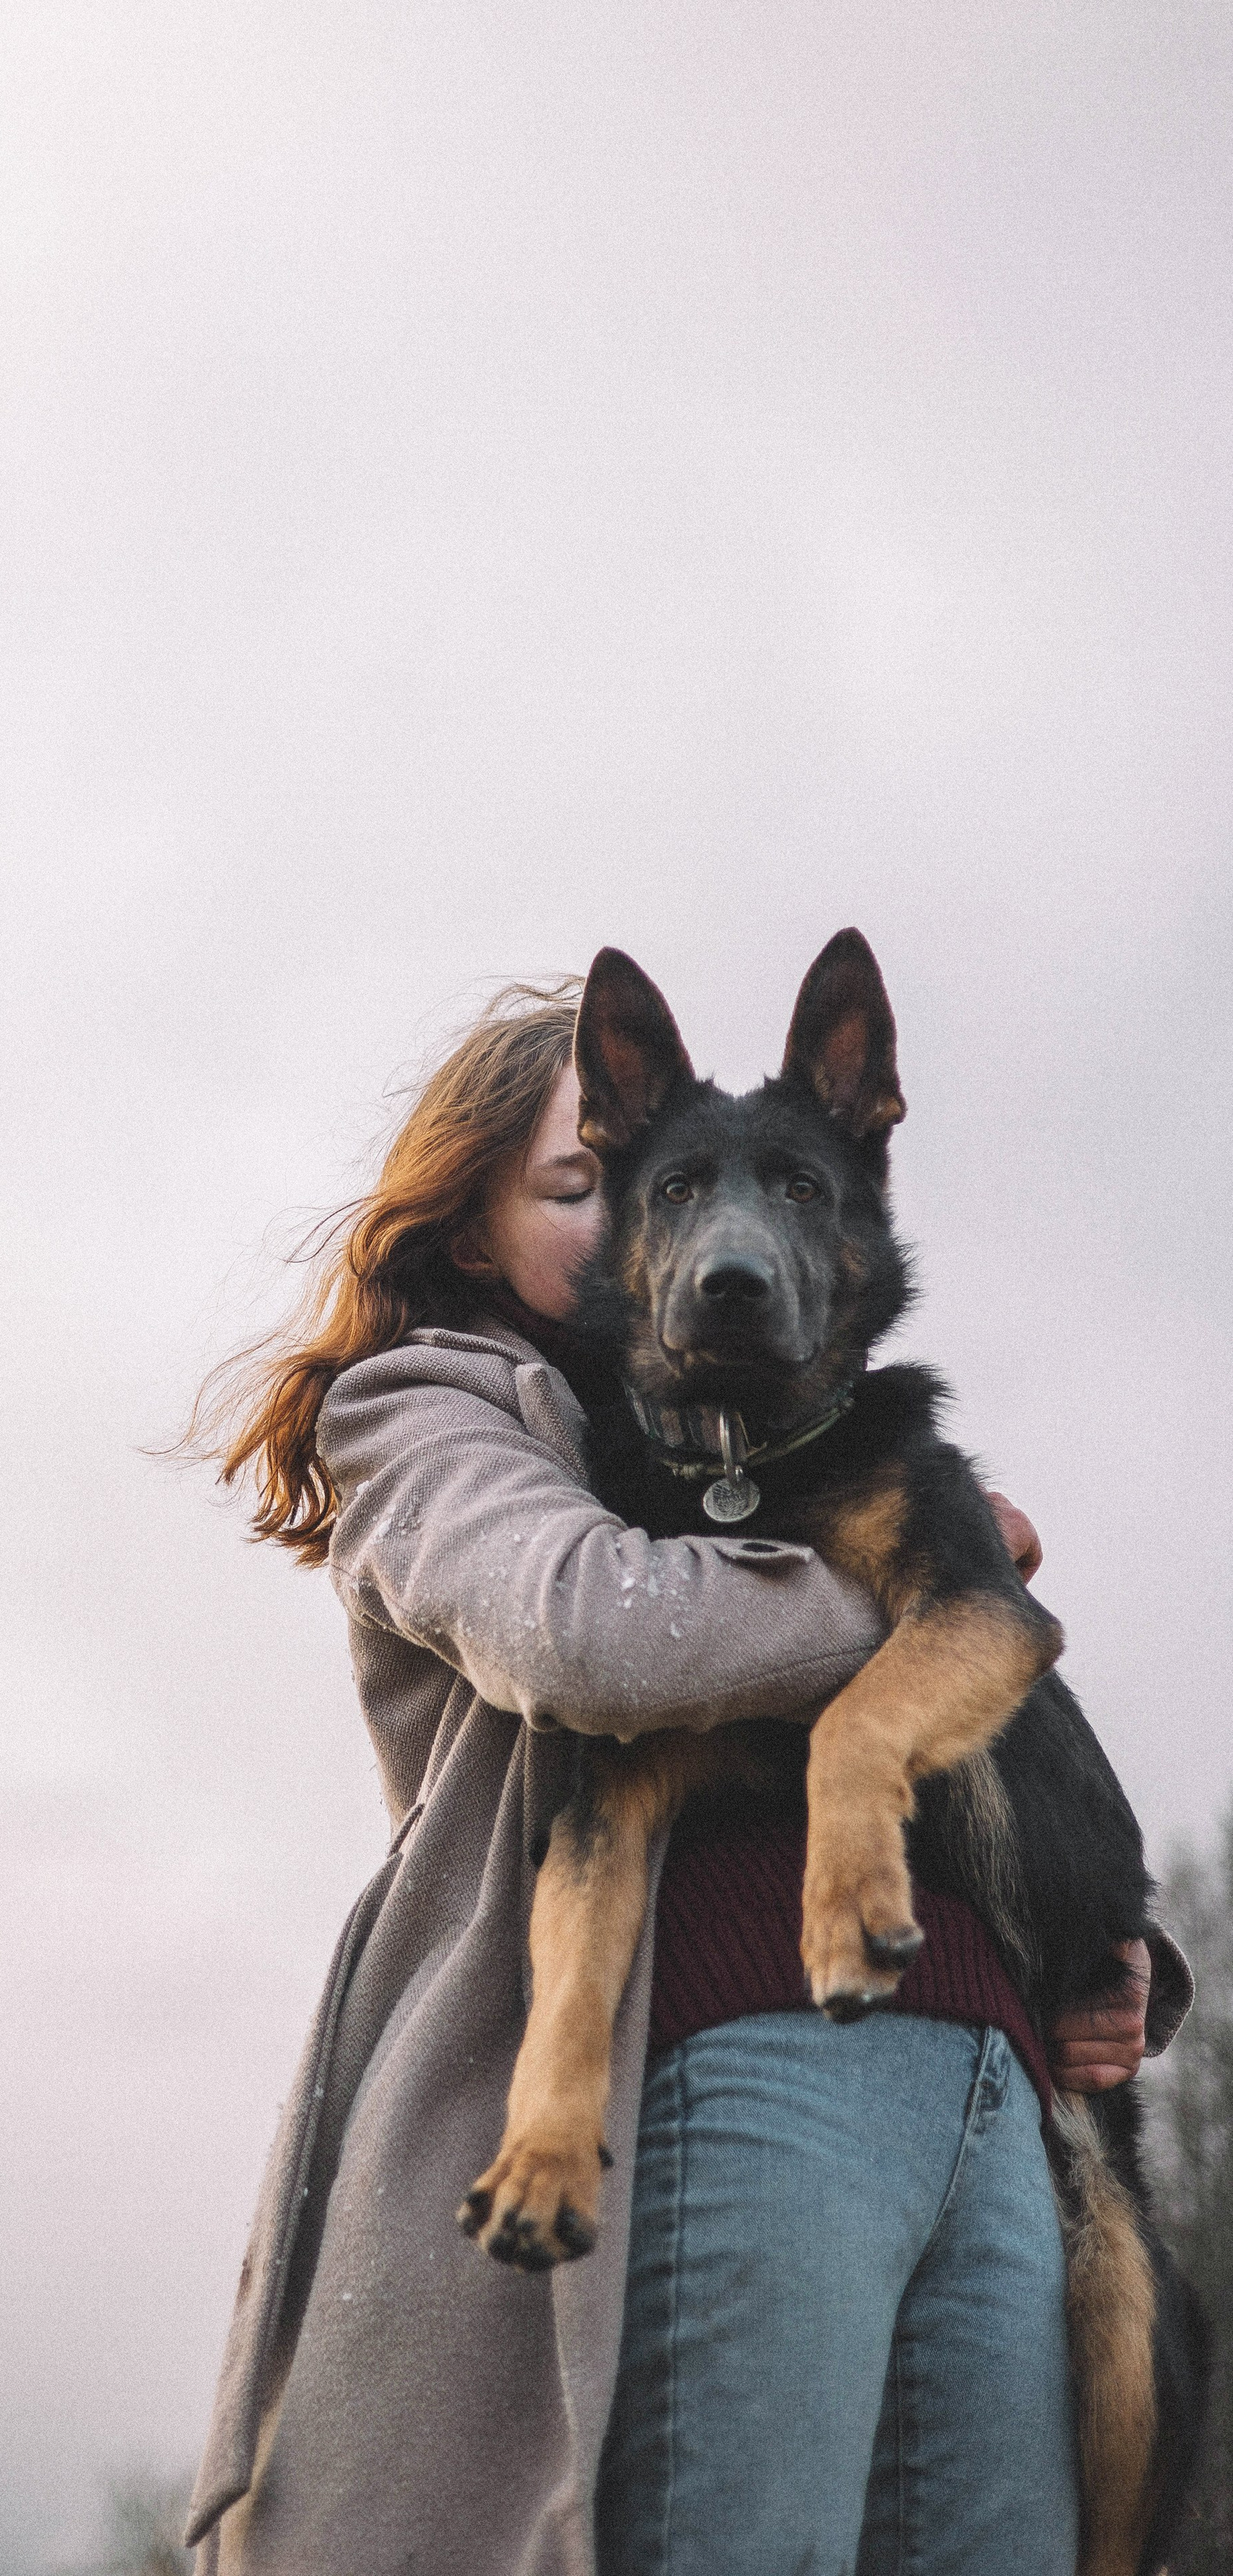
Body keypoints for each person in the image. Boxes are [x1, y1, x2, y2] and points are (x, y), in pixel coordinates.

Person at [184, 983, 1187, 2576]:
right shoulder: (444, 1424)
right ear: (466, 1229)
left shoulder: (778, 1420)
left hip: (993, 2071)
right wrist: (936, 1575)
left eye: (627, 1186)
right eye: (584, 1188)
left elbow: (1018, 1728)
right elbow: (602, 1652)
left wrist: (1119, 1955)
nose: (669, 1234)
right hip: (743, 2043)